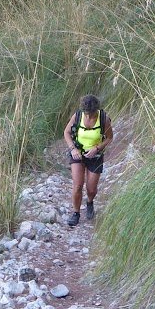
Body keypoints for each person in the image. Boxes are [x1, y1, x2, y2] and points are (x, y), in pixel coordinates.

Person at [63, 95, 114, 226]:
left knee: (91, 189)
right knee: (78, 185)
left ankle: (90, 202)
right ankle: (76, 213)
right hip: (78, 154)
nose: (88, 117)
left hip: (95, 156)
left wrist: (96, 149)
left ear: (96, 110)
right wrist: (73, 149)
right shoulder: (78, 116)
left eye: (91, 115)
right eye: (86, 114)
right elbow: (66, 132)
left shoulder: (104, 119)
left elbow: (109, 138)